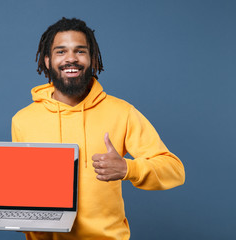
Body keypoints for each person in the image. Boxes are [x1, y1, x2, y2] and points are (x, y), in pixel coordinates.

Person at [11, 17, 185, 240]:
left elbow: (175, 170)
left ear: (92, 59)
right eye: (61, 52)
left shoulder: (122, 112)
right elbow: (23, 187)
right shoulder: (23, 119)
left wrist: (128, 169)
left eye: (80, 51)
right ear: (47, 60)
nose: (71, 59)